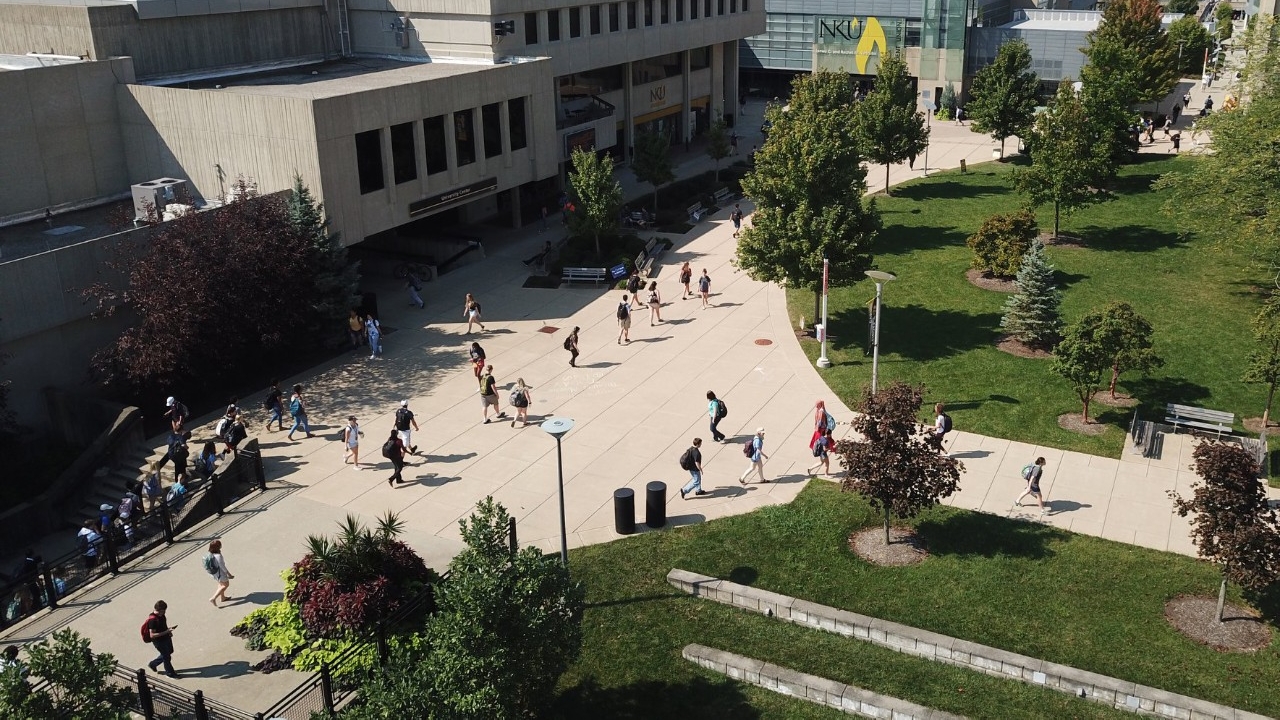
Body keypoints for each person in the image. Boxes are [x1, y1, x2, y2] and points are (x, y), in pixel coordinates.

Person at [144, 600, 178, 677]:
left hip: (166, 637)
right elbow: (152, 635)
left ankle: (153, 664)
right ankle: (170, 673)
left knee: (170, 651)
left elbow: (164, 625)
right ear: (159, 610)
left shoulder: (162, 615)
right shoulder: (153, 621)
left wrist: (168, 632)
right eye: (164, 611)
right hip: (159, 642)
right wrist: (166, 632)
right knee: (166, 657)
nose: (165, 612)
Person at [205, 540, 234, 606]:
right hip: (220, 573)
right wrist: (229, 574)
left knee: (221, 584)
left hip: (214, 573)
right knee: (225, 585)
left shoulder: (210, 554)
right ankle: (213, 598)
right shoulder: (218, 556)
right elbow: (223, 567)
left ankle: (222, 597)